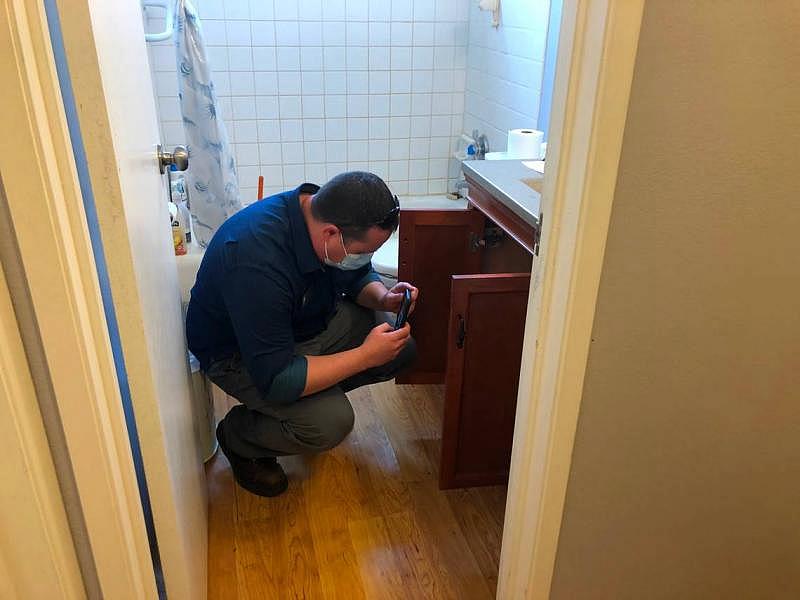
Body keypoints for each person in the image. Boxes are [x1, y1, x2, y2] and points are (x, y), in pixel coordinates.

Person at [186, 172, 418, 497]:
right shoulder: (256, 263)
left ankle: (308, 395)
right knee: (330, 422)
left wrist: (382, 296)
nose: (366, 257)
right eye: (365, 250)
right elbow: (277, 377)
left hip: (299, 323)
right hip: (238, 355)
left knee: (400, 346)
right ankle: (240, 437)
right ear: (331, 234)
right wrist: (364, 356)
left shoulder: (319, 214)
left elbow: (355, 271)